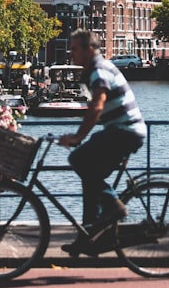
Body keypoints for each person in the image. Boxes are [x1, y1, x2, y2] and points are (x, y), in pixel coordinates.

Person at [59, 29, 146, 256]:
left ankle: (114, 205)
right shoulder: (96, 69)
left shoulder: (99, 70)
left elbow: (97, 106)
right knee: (90, 176)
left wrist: (78, 137)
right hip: (122, 131)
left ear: (89, 50)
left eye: (75, 49)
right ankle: (89, 236)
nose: (71, 53)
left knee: (78, 159)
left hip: (125, 131)